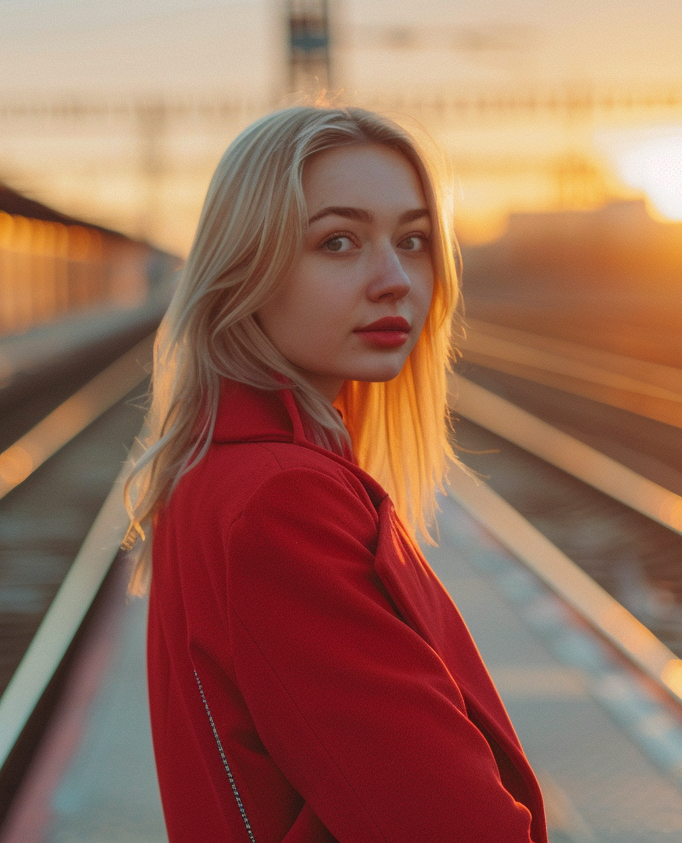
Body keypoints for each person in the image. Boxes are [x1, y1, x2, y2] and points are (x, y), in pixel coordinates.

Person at [125, 105, 547, 843]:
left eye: (413, 241)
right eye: (339, 242)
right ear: (245, 269)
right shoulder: (282, 500)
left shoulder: (221, 471)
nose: (394, 280)